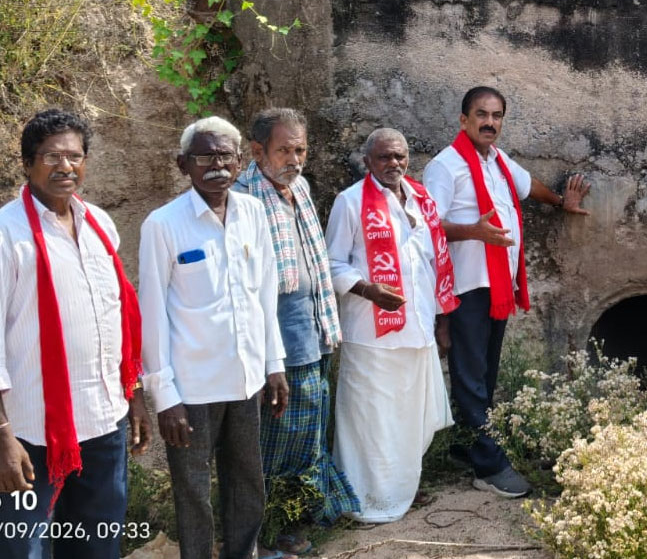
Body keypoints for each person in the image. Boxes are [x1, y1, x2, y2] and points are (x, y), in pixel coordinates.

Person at [423, 87, 590, 497]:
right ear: (464, 120)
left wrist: (559, 203)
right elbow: (428, 225)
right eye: (481, 114)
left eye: (497, 116)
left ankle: (467, 445)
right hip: (466, 287)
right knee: (470, 376)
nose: (490, 123)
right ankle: (489, 465)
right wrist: (474, 232)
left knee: (484, 373)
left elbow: (525, 184)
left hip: (496, 285)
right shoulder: (446, 167)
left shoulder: (495, 160)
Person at [0, 109, 151, 559]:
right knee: (24, 548)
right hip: (28, 434)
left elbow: (116, 319)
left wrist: (135, 394)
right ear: (28, 164)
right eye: (51, 156)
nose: (65, 166)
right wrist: (2, 434)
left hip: (103, 422)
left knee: (97, 546)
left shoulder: (100, 225)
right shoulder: (8, 234)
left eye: (75, 156)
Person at [139, 116, 289, 559]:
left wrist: (273, 364)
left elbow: (265, 292)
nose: (217, 164)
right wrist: (164, 395)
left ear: (241, 161)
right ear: (183, 163)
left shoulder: (253, 212)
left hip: (246, 379)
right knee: (193, 491)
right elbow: (152, 314)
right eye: (205, 155)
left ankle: (243, 553)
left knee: (247, 480)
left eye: (226, 155)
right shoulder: (163, 225)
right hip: (192, 386)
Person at [234, 108, 358, 554]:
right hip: (279, 347)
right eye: (284, 149)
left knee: (308, 434)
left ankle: (300, 519)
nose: (294, 158)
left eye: (300, 149)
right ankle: (267, 533)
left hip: (314, 333)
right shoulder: (241, 197)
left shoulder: (299, 188)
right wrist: (269, 359)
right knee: (276, 443)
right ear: (257, 151)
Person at [326, 128, 459, 522]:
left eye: (399, 156)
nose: (394, 164)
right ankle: (367, 500)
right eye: (384, 157)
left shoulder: (421, 200)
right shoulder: (350, 203)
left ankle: (402, 489)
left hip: (416, 332)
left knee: (408, 419)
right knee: (371, 421)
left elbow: (431, 264)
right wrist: (369, 290)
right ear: (367, 162)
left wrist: (441, 322)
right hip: (371, 336)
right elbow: (331, 265)